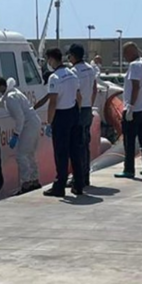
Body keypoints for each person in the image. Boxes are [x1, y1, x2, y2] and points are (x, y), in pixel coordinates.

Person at [0, 76, 42, 192]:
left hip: (28, 125)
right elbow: (0, 102)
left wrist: (16, 135)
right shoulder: (11, 93)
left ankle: (26, 184)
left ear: (1, 86)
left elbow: (20, 118)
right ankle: (35, 180)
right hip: (34, 123)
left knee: (21, 155)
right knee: (30, 153)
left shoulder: (11, 98)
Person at [42, 47, 83, 197]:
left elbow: (53, 102)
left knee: (61, 153)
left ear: (52, 59)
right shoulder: (72, 73)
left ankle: (59, 186)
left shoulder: (54, 77)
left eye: (48, 60)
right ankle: (79, 184)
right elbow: (79, 97)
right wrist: (76, 113)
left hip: (61, 116)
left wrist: (48, 123)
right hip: (73, 112)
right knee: (75, 151)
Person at [116, 42, 142, 178]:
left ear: (130, 53)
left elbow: (135, 86)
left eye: (125, 54)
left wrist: (130, 107)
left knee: (129, 141)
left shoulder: (134, 65)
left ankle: (129, 169)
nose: (124, 58)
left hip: (136, 109)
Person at [69, 44, 98, 189]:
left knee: (77, 145)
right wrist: (90, 105)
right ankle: (85, 176)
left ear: (73, 56)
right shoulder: (90, 68)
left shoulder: (73, 71)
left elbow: (76, 93)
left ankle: (77, 177)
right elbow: (95, 89)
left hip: (78, 109)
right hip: (88, 108)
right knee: (85, 144)